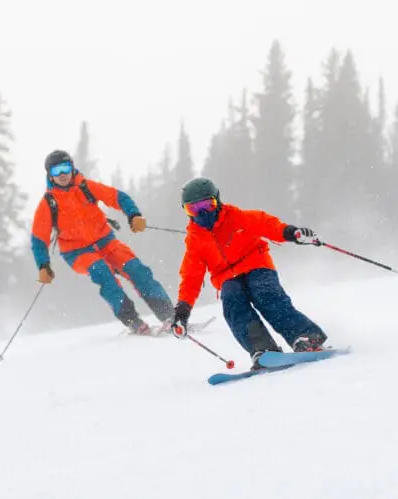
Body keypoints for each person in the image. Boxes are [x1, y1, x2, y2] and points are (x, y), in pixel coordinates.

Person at [169, 176, 328, 369]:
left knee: (264, 293)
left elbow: (266, 224)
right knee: (232, 302)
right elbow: (191, 278)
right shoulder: (195, 240)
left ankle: (305, 337)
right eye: (193, 209)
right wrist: (182, 312)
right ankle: (262, 349)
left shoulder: (237, 218)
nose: (201, 213)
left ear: (217, 201)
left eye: (207, 206)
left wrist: (291, 233)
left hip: (255, 264)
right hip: (227, 277)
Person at [31, 149, 174, 334]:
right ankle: (133, 321)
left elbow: (118, 197)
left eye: (65, 168)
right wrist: (43, 265)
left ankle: (170, 316)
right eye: (56, 171)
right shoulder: (48, 203)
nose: (62, 174)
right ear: (50, 175)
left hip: (107, 243)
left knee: (137, 270)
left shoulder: (86, 186)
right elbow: (39, 239)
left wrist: (134, 215)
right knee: (103, 273)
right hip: (78, 253)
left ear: (72, 168)